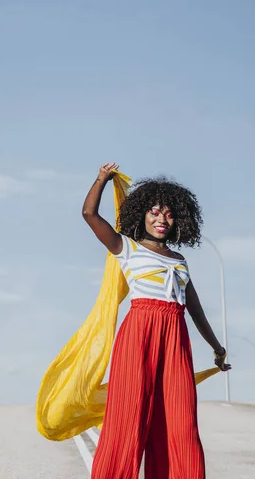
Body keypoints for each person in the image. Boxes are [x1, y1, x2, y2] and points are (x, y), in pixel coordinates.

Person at [82, 162, 231, 479]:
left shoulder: (179, 260)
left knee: (180, 422)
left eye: (168, 214)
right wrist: (101, 180)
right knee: (129, 418)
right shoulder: (127, 248)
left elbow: (195, 309)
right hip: (139, 335)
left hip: (176, 340)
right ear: (142, 214)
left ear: (178, 220)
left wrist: (217, 349)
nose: (161, 219)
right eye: (154, 212)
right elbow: (90, 216)